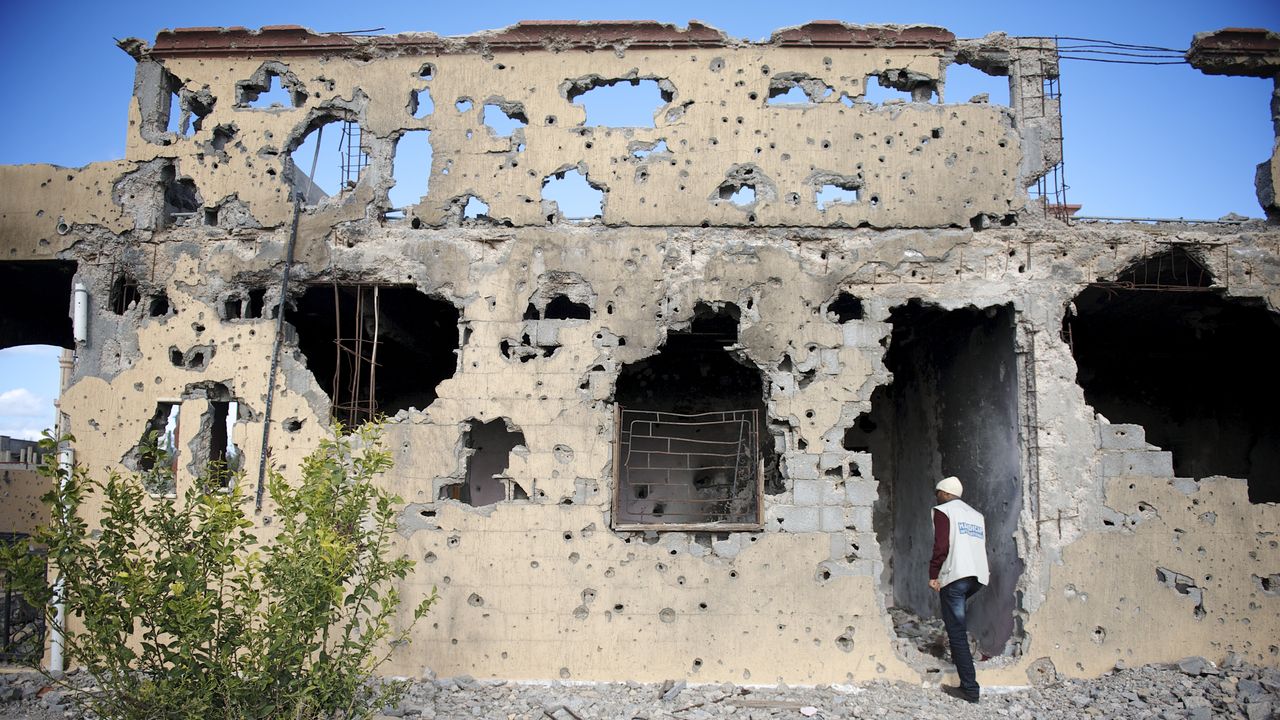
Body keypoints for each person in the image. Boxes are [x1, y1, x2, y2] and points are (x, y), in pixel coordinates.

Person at [928, 475, 989, 704]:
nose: (937, 497)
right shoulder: (975, 515)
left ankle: (970, 689)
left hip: (956, 576)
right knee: (957, 624)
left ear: (944, 493)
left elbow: (941, 546)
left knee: (956, 632)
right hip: (977, 577)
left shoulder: (945, 511)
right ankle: (963, 666)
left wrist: (933, 574)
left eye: (937, 493)